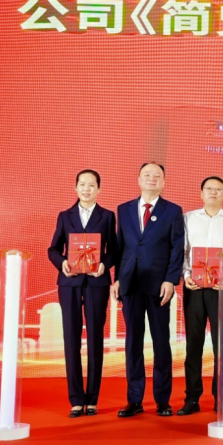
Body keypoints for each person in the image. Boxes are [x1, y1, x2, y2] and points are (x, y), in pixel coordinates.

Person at [113, 162, 185, 417]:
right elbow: (120, 247)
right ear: (139, 179)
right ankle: (134, 399)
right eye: (147, 174)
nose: (152, 178)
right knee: (133, 342)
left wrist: (171, 280)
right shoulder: (124, 209)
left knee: (161, 342)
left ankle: (162, 400)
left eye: (157, 175)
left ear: (163, 182)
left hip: (159, 285)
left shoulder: (173, 211)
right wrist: (117, 278)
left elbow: (177, 248)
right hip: (130, 283)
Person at [47, 169, 117, 418]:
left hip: (97, 283)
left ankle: (93, 399)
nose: (86, 189)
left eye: (92, 185)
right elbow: (53, 249)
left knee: (96, 339)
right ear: (76, 188)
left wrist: (104, 265)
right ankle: (76, 399)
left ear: (99, 189)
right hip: (70, 283)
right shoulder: (65, 216)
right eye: (82, 184)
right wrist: (62, 262)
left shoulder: (107, 216)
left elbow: (113, 250)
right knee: (71, 339)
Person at [176, 176, 223, 416]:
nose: (213, 192)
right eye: (209, 189)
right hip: (194, 288)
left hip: (220, 291)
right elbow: (182, 251)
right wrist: (186, 275)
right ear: (201, 193)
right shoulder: (188, 219)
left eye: (218, 189)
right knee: (193, 344)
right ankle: (192, 398)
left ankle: (220, 397)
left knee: (221, 346)